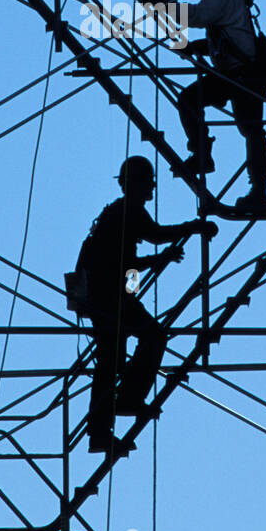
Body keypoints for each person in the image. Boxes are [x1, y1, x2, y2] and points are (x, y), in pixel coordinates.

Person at [75, 155, 217, 453]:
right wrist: (192, 228)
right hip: (110, 297)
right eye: (148, 182)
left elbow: (129, 259)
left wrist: (160, 257)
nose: (152, 188)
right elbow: (153, 237)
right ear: (137, 184)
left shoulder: (116, 212)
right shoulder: (128, 210)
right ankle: (124, 403)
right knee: (151, 337)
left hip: (105, 297)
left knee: (109, 362)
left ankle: (100, 431)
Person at [136, 0, 266, 212]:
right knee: (193, 101)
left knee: (250, 128)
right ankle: (204, 155)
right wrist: (195, 48)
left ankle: (255, 187)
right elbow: (226, 37)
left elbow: (198, 17)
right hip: (236, 73)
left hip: (244, 75)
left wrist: (158, 2)